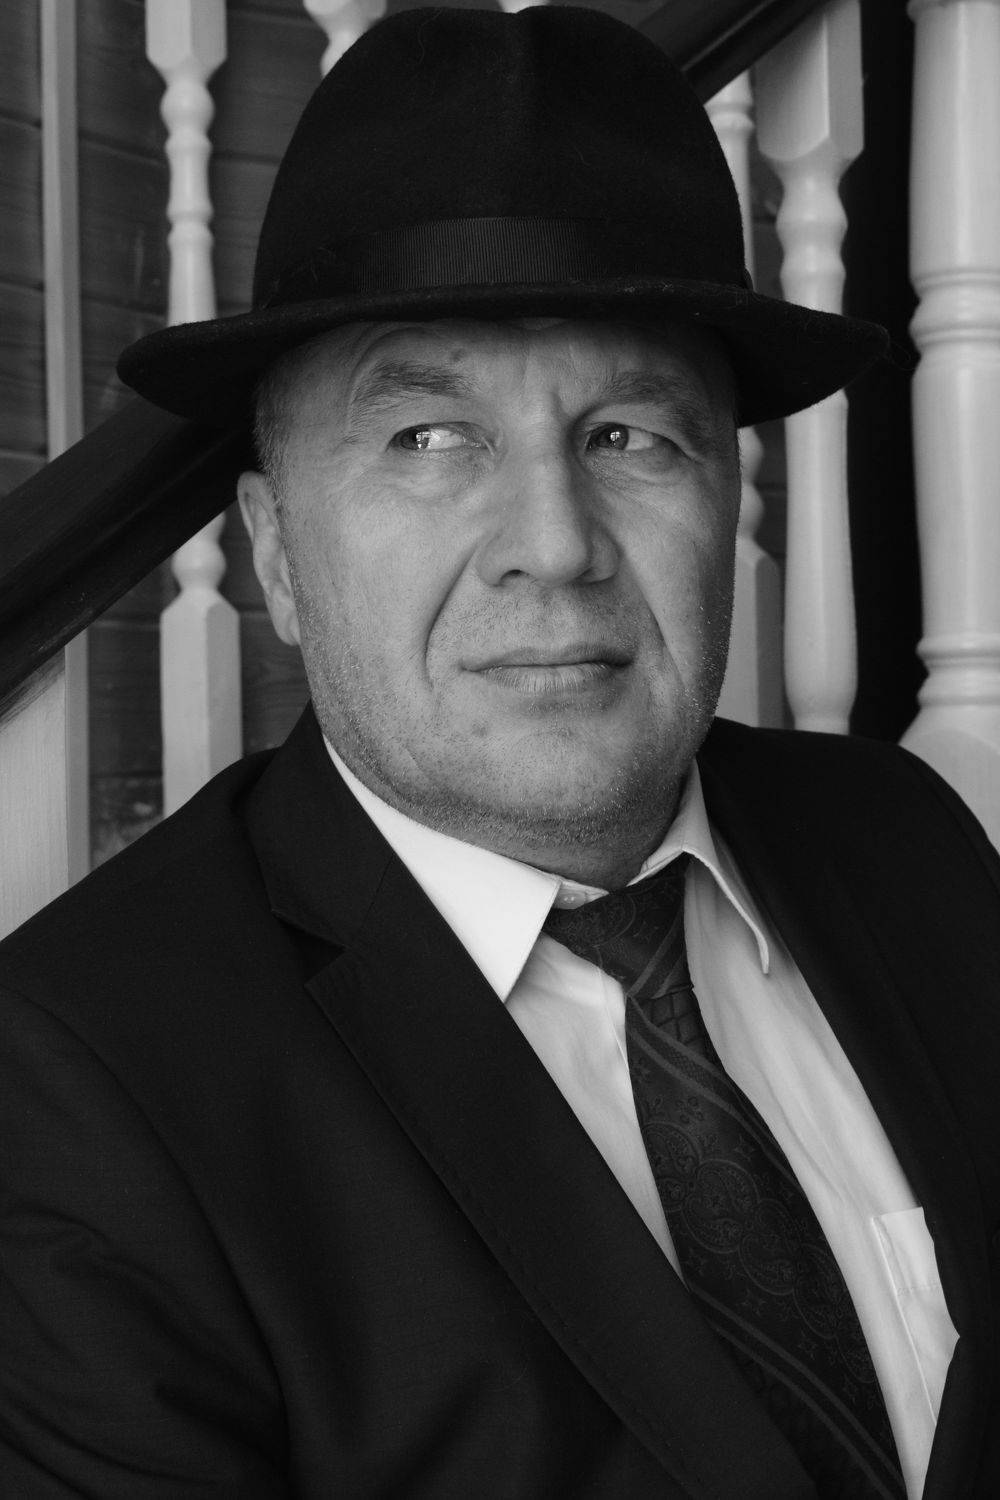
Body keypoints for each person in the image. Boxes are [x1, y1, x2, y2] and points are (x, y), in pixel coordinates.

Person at [1, 7, 998, 1498]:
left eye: (629, 436)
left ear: (724, 495)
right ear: (275, 549)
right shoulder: (80, 1090)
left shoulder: (904, 836)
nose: (554, 545)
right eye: (428, 440)